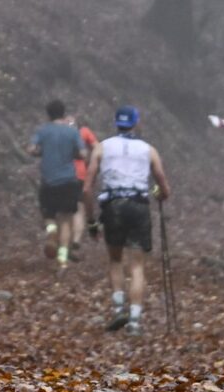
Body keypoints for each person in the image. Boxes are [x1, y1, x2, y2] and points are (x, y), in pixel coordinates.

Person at [86, 105, 170, 333]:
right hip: (138, 207)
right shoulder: (148, 150)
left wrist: (91, 221)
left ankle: (117, 309)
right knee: (137, 266)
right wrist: (155, 193)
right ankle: (134, 321)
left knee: (115, 260)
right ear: (136, 123)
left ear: (117, 123)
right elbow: (163, 188)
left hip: (113, 206)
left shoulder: (101, 148)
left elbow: (87, 188)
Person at [27, 100, 86, 266]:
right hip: (69, 181)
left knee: (49, 216)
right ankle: (62, 260)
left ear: (48, 114)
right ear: (63, 113)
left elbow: (31, 149)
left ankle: (52, 234)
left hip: (49, 181)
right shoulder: (72, 132)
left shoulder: (43, 131)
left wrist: (41, 152)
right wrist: (75, 155)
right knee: (66, 220)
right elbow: (83, 153)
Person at [72, 116, 101, 245]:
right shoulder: (84, 131)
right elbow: (98, 148)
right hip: (79, 175)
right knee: (79, 208)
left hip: (60, 176)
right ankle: (76, 239)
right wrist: (91, 163)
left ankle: (62, 240)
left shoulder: (57, 134)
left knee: (62, 211)